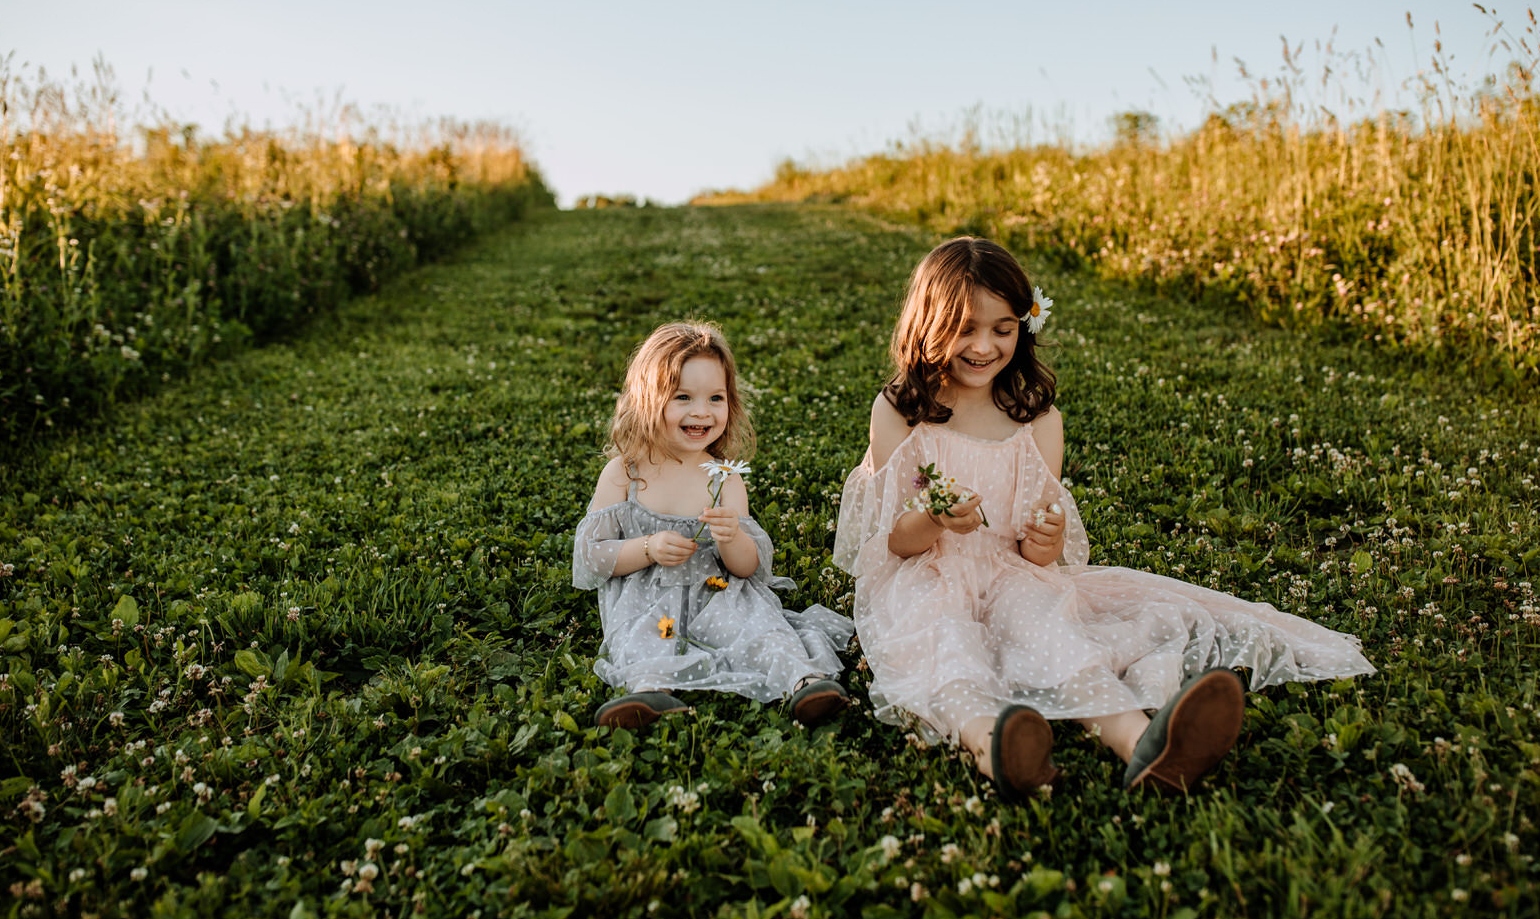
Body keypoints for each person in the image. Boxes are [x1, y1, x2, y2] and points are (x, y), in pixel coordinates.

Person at [834, 237, 1375, 796]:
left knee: (1053, 636)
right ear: (928, 323)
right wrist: (936, 518)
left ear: (1024, 326)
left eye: (1003, 328)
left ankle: (1143, 745)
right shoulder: (902, 410)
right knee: (948, 646)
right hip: (925, 576)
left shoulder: (1036, 420)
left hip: (1009, 573)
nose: (984, 346)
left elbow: (1036, 551)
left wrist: (1046, 537)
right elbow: (894, 541)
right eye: (965, 328)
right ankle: (995, 746)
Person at [574, 320, 854, 730]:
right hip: (647, 597)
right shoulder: (625, 473)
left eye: (716, 398)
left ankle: (803, 681)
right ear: (648, 400)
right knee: (644, 636)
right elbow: (592, 557)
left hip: (719, 590)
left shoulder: (725, 478)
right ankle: (648, 690)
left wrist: (732, 538)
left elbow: (747, 568)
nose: (702, 412)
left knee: (759, 628)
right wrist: (648, 548)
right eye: (683, 397)